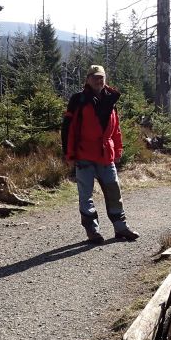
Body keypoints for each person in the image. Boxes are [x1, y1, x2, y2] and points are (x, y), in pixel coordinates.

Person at [61, 65, 139, 244]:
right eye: (95, 77)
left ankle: (121, 228)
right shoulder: (78, 100)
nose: (98, 80)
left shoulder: (110, 99)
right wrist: (69, 154)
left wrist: (118, 150)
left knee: (114, 192)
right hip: (84, 155)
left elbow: (116, 129)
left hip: (106, 156)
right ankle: (92, 231)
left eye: (101, 77)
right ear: (87, 79)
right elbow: (68, 129)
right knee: (86, 195)